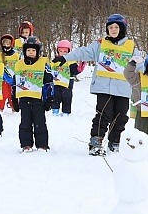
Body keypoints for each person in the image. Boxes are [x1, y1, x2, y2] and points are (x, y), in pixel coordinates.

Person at [52, 14, 139, 156]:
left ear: (122, 29)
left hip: (123, 88)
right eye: (111, 27)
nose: (113, 30)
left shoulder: (131, 47)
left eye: (117, 27)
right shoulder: (101, 44)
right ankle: (96, 142)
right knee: (103, 115)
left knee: (120, 117)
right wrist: (65, 58)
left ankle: (114, 142)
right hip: (104, 87)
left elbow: (140, 66)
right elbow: (83, 52)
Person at [11, 36, 54, 152]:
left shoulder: (43, 64)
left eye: (33, 50)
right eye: (28, 50)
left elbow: (49, 82)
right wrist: (14, 99)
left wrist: (49, 99)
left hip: (38, 100)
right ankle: (26, 145)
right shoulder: (19, 65)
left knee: (40, 124)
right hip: (24, 100)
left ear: (38, 51)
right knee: (25, 124)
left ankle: (42, 145)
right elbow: (14, 83)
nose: (31, 52)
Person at [49, 40, 85, 116]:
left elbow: (74, 71)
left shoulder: (71, 61)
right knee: (56, 97)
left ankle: (66, 112)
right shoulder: (55, 61)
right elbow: (50, 70)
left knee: (67, 98)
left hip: (67, 84)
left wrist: (80, 68)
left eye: (65, 52)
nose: (63, 53)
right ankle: (55, 111)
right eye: (61, 51)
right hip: (57, 83)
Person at [0, 34, 19, 112]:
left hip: (13, 78)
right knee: (3, 93)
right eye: (4, 44)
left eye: (8, 44)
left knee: (12, 94)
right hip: (3, 79)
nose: (6, 46)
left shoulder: (16, 55)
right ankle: (0, 108)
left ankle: (14, 106)